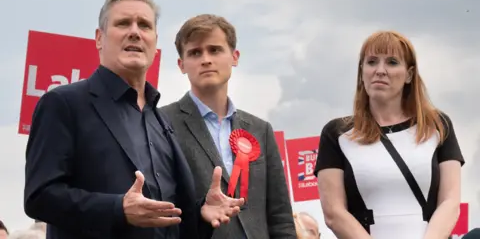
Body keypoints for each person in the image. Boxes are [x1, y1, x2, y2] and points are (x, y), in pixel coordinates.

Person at [23, 0, 244, 239]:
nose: (135, 32)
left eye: (144, 26)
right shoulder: (64, 103)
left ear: (155, 42)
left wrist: (202, 214)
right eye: (123, 23)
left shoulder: (159, 118)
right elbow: (39, 198)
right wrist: (118, 209)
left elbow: (169, 216)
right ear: (99, 38)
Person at [314, 30, 464, 239]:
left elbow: (450, 202)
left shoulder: (438, 126)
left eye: (392, 62)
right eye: (372, 62)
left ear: (409, 74)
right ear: (362, 71)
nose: (380, 71)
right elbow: (334, 213)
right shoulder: (336, 134)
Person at [159, 14, 296, 238]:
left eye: (215, 50)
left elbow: (280, 215)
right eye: (195, 52)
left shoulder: (261, 130)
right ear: (181, 64)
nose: (206, 59)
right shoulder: (162, 123)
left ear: (234, 56)